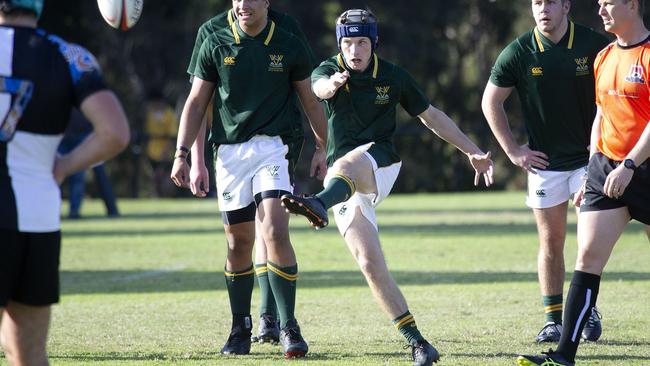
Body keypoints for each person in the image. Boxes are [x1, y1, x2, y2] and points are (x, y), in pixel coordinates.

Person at [280, 9, 494, 366]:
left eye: (362, 42)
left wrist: (472, 150)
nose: (354, 50)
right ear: (340, 45)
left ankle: (317, 204)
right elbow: (317, 88)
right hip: (342, 181)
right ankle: (419, 343)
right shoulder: (327, 69)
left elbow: (432, 117)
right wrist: (329, 86)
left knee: (349, 164)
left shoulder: (393, 76)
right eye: (347, 43)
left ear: (374, 43)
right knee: (369, 262)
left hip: (382, 163)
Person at [170, 0, 328, 359]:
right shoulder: (212, 34)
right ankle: (239, 327)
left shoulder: (288, 35)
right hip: (229, 152)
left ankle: (288, 326)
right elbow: (197, 101)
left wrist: (323, 148)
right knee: (238, 242)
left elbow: (309, 99)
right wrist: (184, 156)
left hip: (275, 147)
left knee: (273, 228)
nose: (243, 4)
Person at [518, 0, 650, 364]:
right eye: (599, 4)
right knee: (587, 259)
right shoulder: (604, 56)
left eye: (609, 3)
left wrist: (629, 165)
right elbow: (601, 114)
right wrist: (594, 164)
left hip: (643, 169)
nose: (601, 10)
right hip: (606, 169)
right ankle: (564, 356)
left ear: (633, 6)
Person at [0, 1, 130, 364]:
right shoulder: (68, 55)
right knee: (29, 353)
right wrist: (62, 166)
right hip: (37, 218)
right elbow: (115, 133)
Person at [481, 0, 609, 343]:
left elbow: (613, 97)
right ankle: (554, 320)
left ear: (566, 6)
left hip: (589, 161)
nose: (543, 9)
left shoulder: (593, 44)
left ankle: (587, 311)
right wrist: (513, 150)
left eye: (551, 2)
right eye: (537, 2)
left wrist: (605, 149)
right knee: (551, 242)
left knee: (588, 245)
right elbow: (490, 101)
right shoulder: (520, 51)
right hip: (544, 165)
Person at [58, 109, 120, 218]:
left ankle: (74, 212)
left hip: (84, 135)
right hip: (63, 136)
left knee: (80, 177)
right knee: (54, 175)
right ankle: (58, 212)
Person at [144, 95, 177, 197]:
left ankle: (167, 196)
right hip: (152, 153)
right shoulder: (150, 114)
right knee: (155, 178)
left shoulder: (169, 114)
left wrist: (166, 151)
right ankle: (157, 196)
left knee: (163, 177)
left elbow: (172, 135)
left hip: (165, 154)